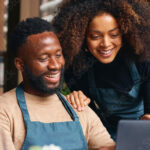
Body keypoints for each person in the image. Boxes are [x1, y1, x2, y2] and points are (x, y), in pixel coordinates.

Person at [0, 18, 115, 150]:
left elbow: (107, 147)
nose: (55, 65)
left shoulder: (79, 108)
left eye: (58, 55)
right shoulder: (5, 110)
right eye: (43, 58)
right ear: (20, 64)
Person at [53, 0, 150, 140]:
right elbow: (89, 117)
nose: (105, 44)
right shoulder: (76, 67)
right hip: (105, 134)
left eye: (114, 35)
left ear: (125, 34)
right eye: (95, 37)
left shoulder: (141, 56)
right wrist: (78, 102)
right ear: (81, 38)